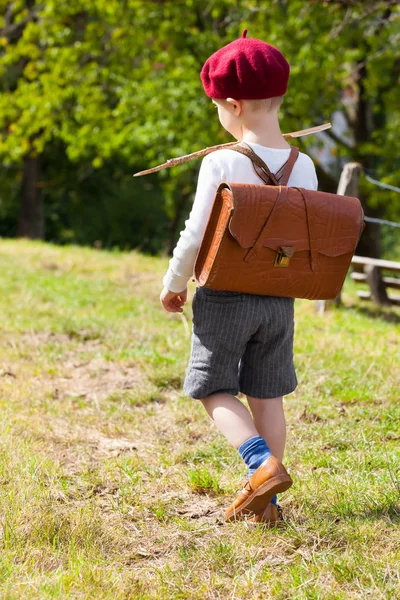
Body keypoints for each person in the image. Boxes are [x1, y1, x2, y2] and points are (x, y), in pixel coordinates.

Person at [160, 29, 318, 525]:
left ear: (232, 104)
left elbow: (195, 233)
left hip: (227, 297)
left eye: (218, 108)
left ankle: (260, 465)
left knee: (213, 388)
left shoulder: (222, 161)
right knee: (267, 394)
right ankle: (267, 505)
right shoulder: (306, 164)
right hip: (278, 300)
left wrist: (174, 282)